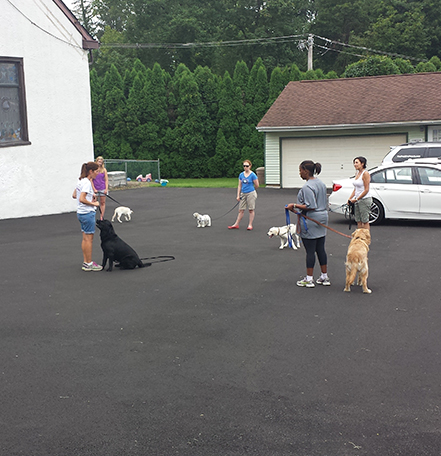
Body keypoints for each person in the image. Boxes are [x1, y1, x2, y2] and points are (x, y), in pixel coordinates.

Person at [286, 160, 330, 288]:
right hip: (322, 218)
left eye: (300, 170)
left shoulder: (307, 187)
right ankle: (324, 276)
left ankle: (309, 279)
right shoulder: (320, 183)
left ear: (306, 171)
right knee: (320, 249)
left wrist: (294, 205)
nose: (299, 173)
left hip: (311, 220)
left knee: (310, 250)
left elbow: (310, 206)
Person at [72, 162, 103, 271]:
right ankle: (89, 263)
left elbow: (74, 195)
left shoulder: (80, 180)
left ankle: (86, 262)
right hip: (87, 213)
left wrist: (91, 196)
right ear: (91, 171)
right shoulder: (87, 183)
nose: (97, 174)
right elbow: (82, 199)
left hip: (80, 213)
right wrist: (94, 203)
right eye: (96, 171)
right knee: (89, 239)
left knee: (85, 238)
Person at [228, 160, 259, 230]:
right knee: (241, 210)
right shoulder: (241, 175)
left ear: (250, 166)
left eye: (247, 166)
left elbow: (257, 184)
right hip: (243, 193)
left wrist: (253, 190)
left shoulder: (253, 175)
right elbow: (239, 185)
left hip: (251, 193)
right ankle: (236, 224)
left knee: (251, 209)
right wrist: (238, 195)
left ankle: (250, 225)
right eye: (244, 166)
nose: (245, 167)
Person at [348, 156, 372, 230]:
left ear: (362, 164)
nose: (355, 164)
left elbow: (366, 189)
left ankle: (366, 238)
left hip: (364, 199)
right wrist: (350, 198)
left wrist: (357, 199)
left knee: (365, 221)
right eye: (354, 163)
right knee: (358, 220)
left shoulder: (365, 174)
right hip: (357, 200)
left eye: (357, 162)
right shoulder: (357, 173)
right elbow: (356, 189)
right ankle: (359, 237)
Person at [92, 156, 108, 220]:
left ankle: (101, 216)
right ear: (96, 161)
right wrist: (94, 189)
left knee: (102, 202)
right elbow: (91, 180)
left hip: (102, 187)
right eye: (99, 161)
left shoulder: (104, 170)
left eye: (101, 161)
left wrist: (106, 189)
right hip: (95, 188)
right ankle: (93, 215)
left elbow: (106, 179)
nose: (100, 162)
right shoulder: (94, 170)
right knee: (94, 201)